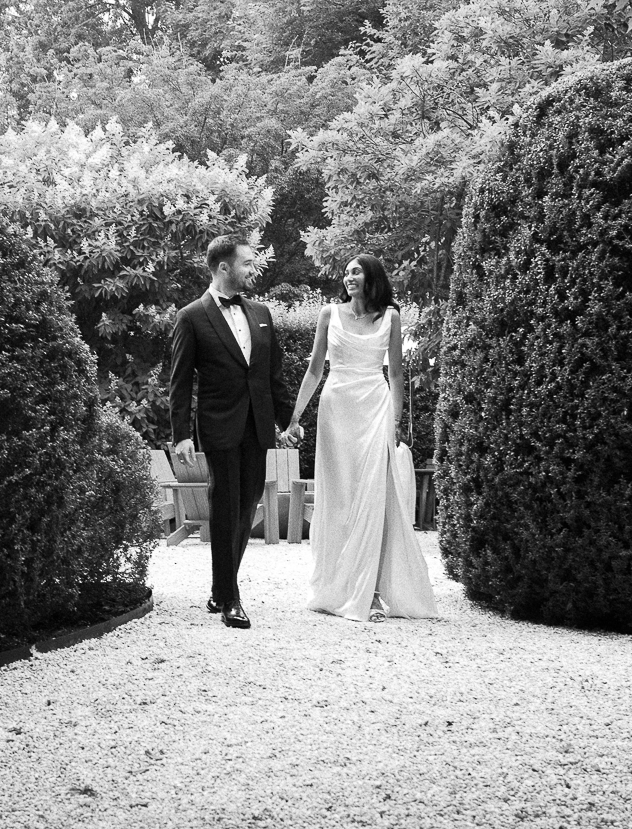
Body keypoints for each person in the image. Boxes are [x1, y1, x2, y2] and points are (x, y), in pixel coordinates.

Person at [287, 254, 438, 623]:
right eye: (345, 272)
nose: (348, 276)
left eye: (356, 271)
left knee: (374, 494)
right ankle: (337, 587)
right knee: (339, 496)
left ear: (371, 277)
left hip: (375, 409)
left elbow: (398, 376)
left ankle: (369, 592)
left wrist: (397, 421)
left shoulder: (391, 317)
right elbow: (314, 369)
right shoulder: (328, 314)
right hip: (336, 409)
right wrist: (293, 418)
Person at [170, 234, 295, 629]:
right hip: (218, 427)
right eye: (245, 263)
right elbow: (179, 382)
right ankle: (231, 599)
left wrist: (287, 421)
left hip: (257, 427)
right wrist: (181, 434)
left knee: (246, 506)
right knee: (225, 508)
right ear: (224, 267)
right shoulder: (191, 316)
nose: (251, 269)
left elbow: (272, 375)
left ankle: (219, 587)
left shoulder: (261, 312)